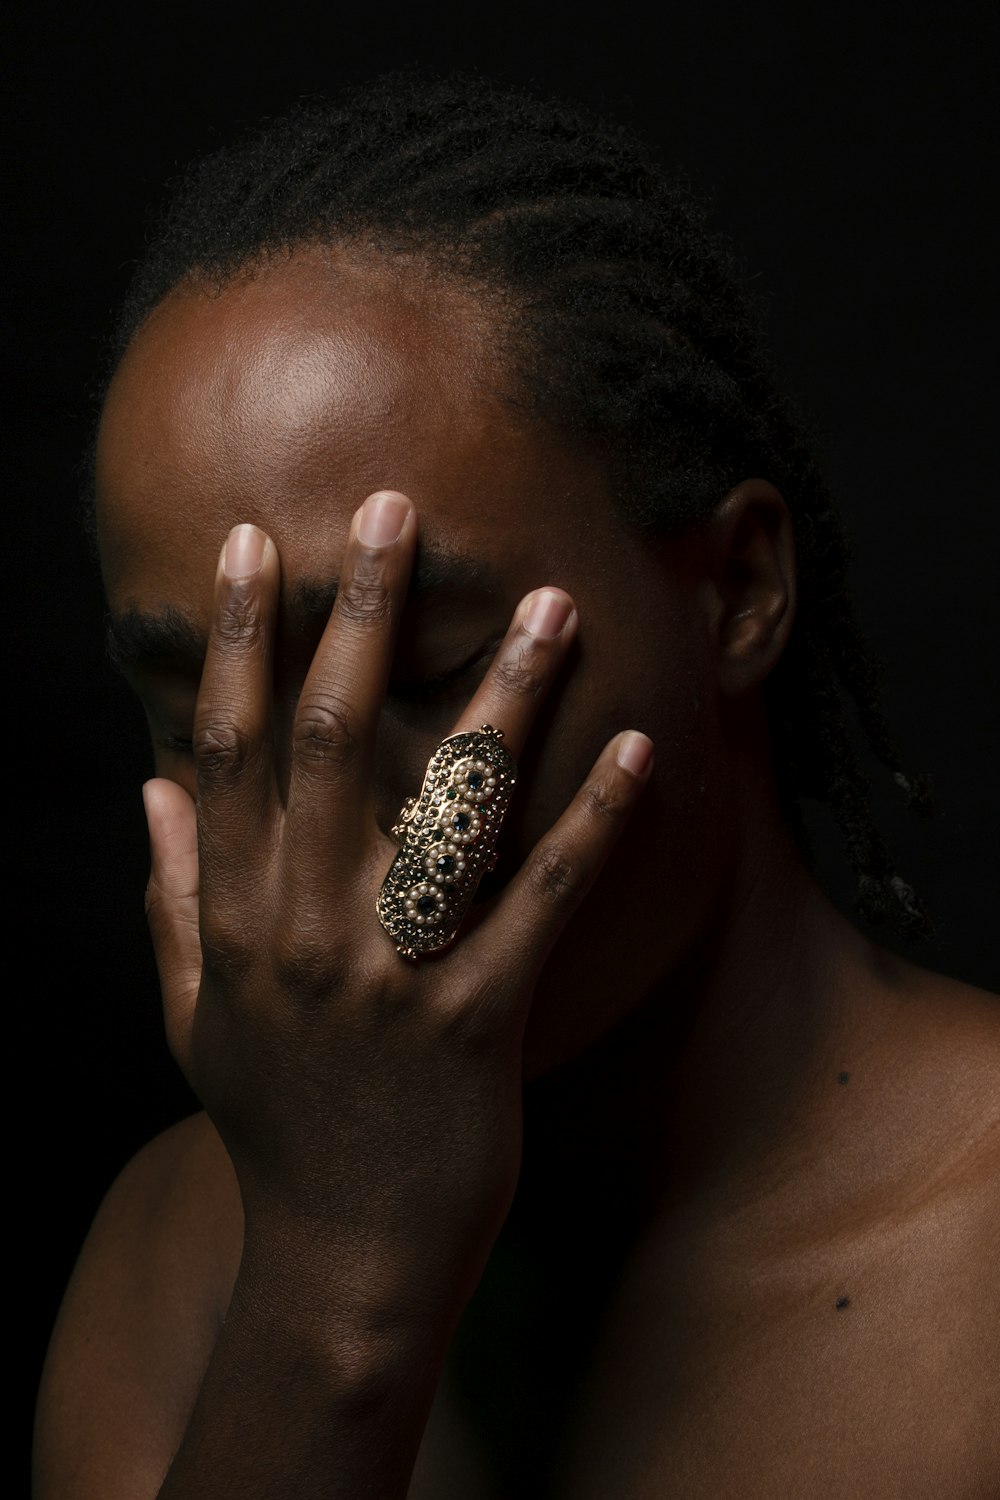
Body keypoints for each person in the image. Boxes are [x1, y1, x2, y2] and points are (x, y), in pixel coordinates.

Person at [33, 75, 998, 1498]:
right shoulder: (173, 1265)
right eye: (210, 724)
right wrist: (329, 1295)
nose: (324, 846)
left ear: (735, 591)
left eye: (422, 676)